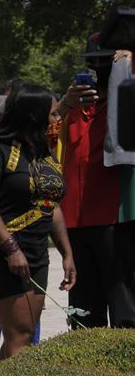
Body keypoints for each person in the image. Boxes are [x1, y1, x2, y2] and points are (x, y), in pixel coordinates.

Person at [0, 83, 76, 358]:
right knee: (19, 336)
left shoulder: (44, 153)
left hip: (36, 252)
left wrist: (66, 253)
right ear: (34, 115)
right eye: (53, 114)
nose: (57, 120)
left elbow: (51, 206)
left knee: (25, 335)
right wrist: (11, 248)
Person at [57, 36, 135, 328]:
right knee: (83, 310)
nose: (99, 67)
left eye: (107, 61)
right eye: (95, 61)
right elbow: (41, 132)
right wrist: (66, 102)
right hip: (74, 222)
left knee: (123, 302)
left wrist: (131, 60)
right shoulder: (73, 107)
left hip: (116, 217)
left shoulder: (125, 101)